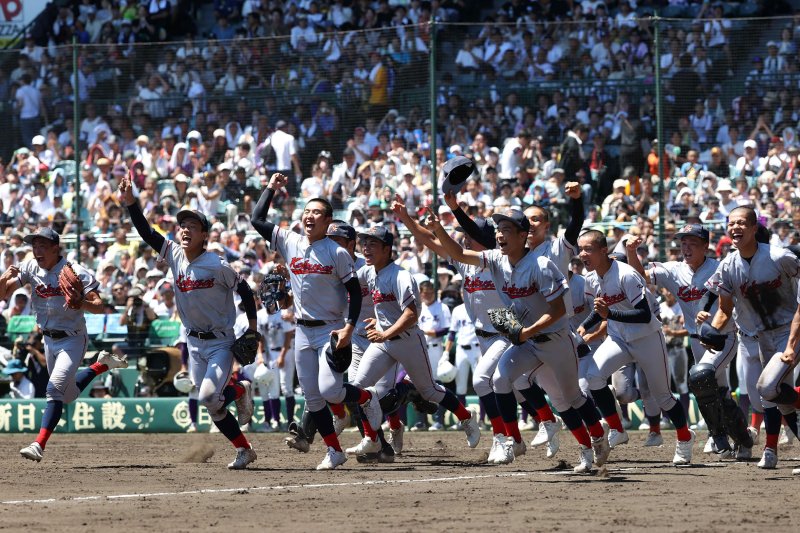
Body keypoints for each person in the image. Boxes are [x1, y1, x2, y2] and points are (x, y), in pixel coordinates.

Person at [430, 209, 608, 472]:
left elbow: (558, 310)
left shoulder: (541, 265)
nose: (500, 235)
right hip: (529, 342)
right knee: (500, 379)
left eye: (507, 230)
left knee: (571, 397)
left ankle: (595, 439)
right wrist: (438, 229)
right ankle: (512, 440)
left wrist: (526, 331)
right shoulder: (495, 259)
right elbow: (458, 254)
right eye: (498, 230)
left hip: (556, 340)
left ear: (523, 235)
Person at [120, 175, 259, 470]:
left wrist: (253, 327)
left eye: (193, 226)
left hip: (221, 341)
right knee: (214, 405)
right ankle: (244, 448)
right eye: (183, 225)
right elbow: (147, 232)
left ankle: (240, 391)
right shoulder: (174, 255)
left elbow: (245, 290)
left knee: (210, 396)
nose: (185, 230)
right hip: (193, 342)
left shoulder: (217, 264)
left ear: (204, 235)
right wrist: (132, 203)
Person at [250, 172, 382, 470]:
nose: (310, 216)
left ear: (327, 221)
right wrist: (271, 188)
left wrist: (349, 327)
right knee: (312, 397)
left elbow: (353, 292)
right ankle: (334, 451)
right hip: (302, 330)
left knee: (330, 391)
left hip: (329, 330)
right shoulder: (289, 241)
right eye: (307, 211)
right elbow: (257, 219)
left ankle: (365, 398)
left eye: (317, 213)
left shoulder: (336, 252)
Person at [346, 225, 481, 458]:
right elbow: (348, 285)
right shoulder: (369, 272)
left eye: (372, 244)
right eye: (364, 243)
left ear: (387, 249)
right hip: (383, 341)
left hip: (407, 340)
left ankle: (466, 417)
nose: (366, 248)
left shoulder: (400, 276)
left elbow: (411, 315)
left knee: (428, 390)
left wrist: (385, 332)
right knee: (359, 388)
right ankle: (371, 438)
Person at [626, 225, 755, 460]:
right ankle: (743, 439)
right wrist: (632, 253)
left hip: (721, 338)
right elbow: (640, 277)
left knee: (700, 378)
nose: (685, 247)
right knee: (718, 390)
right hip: (696, 340)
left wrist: (715, 321)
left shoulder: (719, 268)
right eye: (683, 242)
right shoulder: (674, 269)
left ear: (705, 246)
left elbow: (738, 298)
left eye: (692, 243)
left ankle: (718, 438)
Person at [0, 227, 128, 462]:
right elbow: (1, 295)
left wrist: (82, 303)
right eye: (34, 245)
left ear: (55, 248)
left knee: (53, 390)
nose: (37, 251)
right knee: (66, 395)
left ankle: (38, 444)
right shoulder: (30, 266)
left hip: (73, 338)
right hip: (48, 339)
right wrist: (3, 278)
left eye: (42, 246)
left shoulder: (75, 271)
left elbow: (99, 306)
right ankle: (101, 365)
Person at [577, 229, 696, 465]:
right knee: (593, 377)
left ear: (604, 251)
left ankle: (684, 437)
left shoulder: (626, 274)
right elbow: (600, 310)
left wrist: (608, 314)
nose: (582, 254)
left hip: (646, 338)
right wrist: (584, 326)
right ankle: (617, 428)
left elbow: (643, 315)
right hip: (618, 339)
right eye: (580, 249)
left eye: (588, 249)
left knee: (662, 396)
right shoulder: (590, 278)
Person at [704, 206, 800, 469]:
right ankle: (770, 450)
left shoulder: (780, 256)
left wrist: (792, 344)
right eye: (731, 223)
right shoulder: (728, 266)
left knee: (768, 388)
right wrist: (712, 330)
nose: (735, 227)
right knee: (775, 396)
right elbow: (724, 309)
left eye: (741, 223)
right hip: (760, 337)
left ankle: (769, 448)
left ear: (754, 228)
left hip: (789, 330)